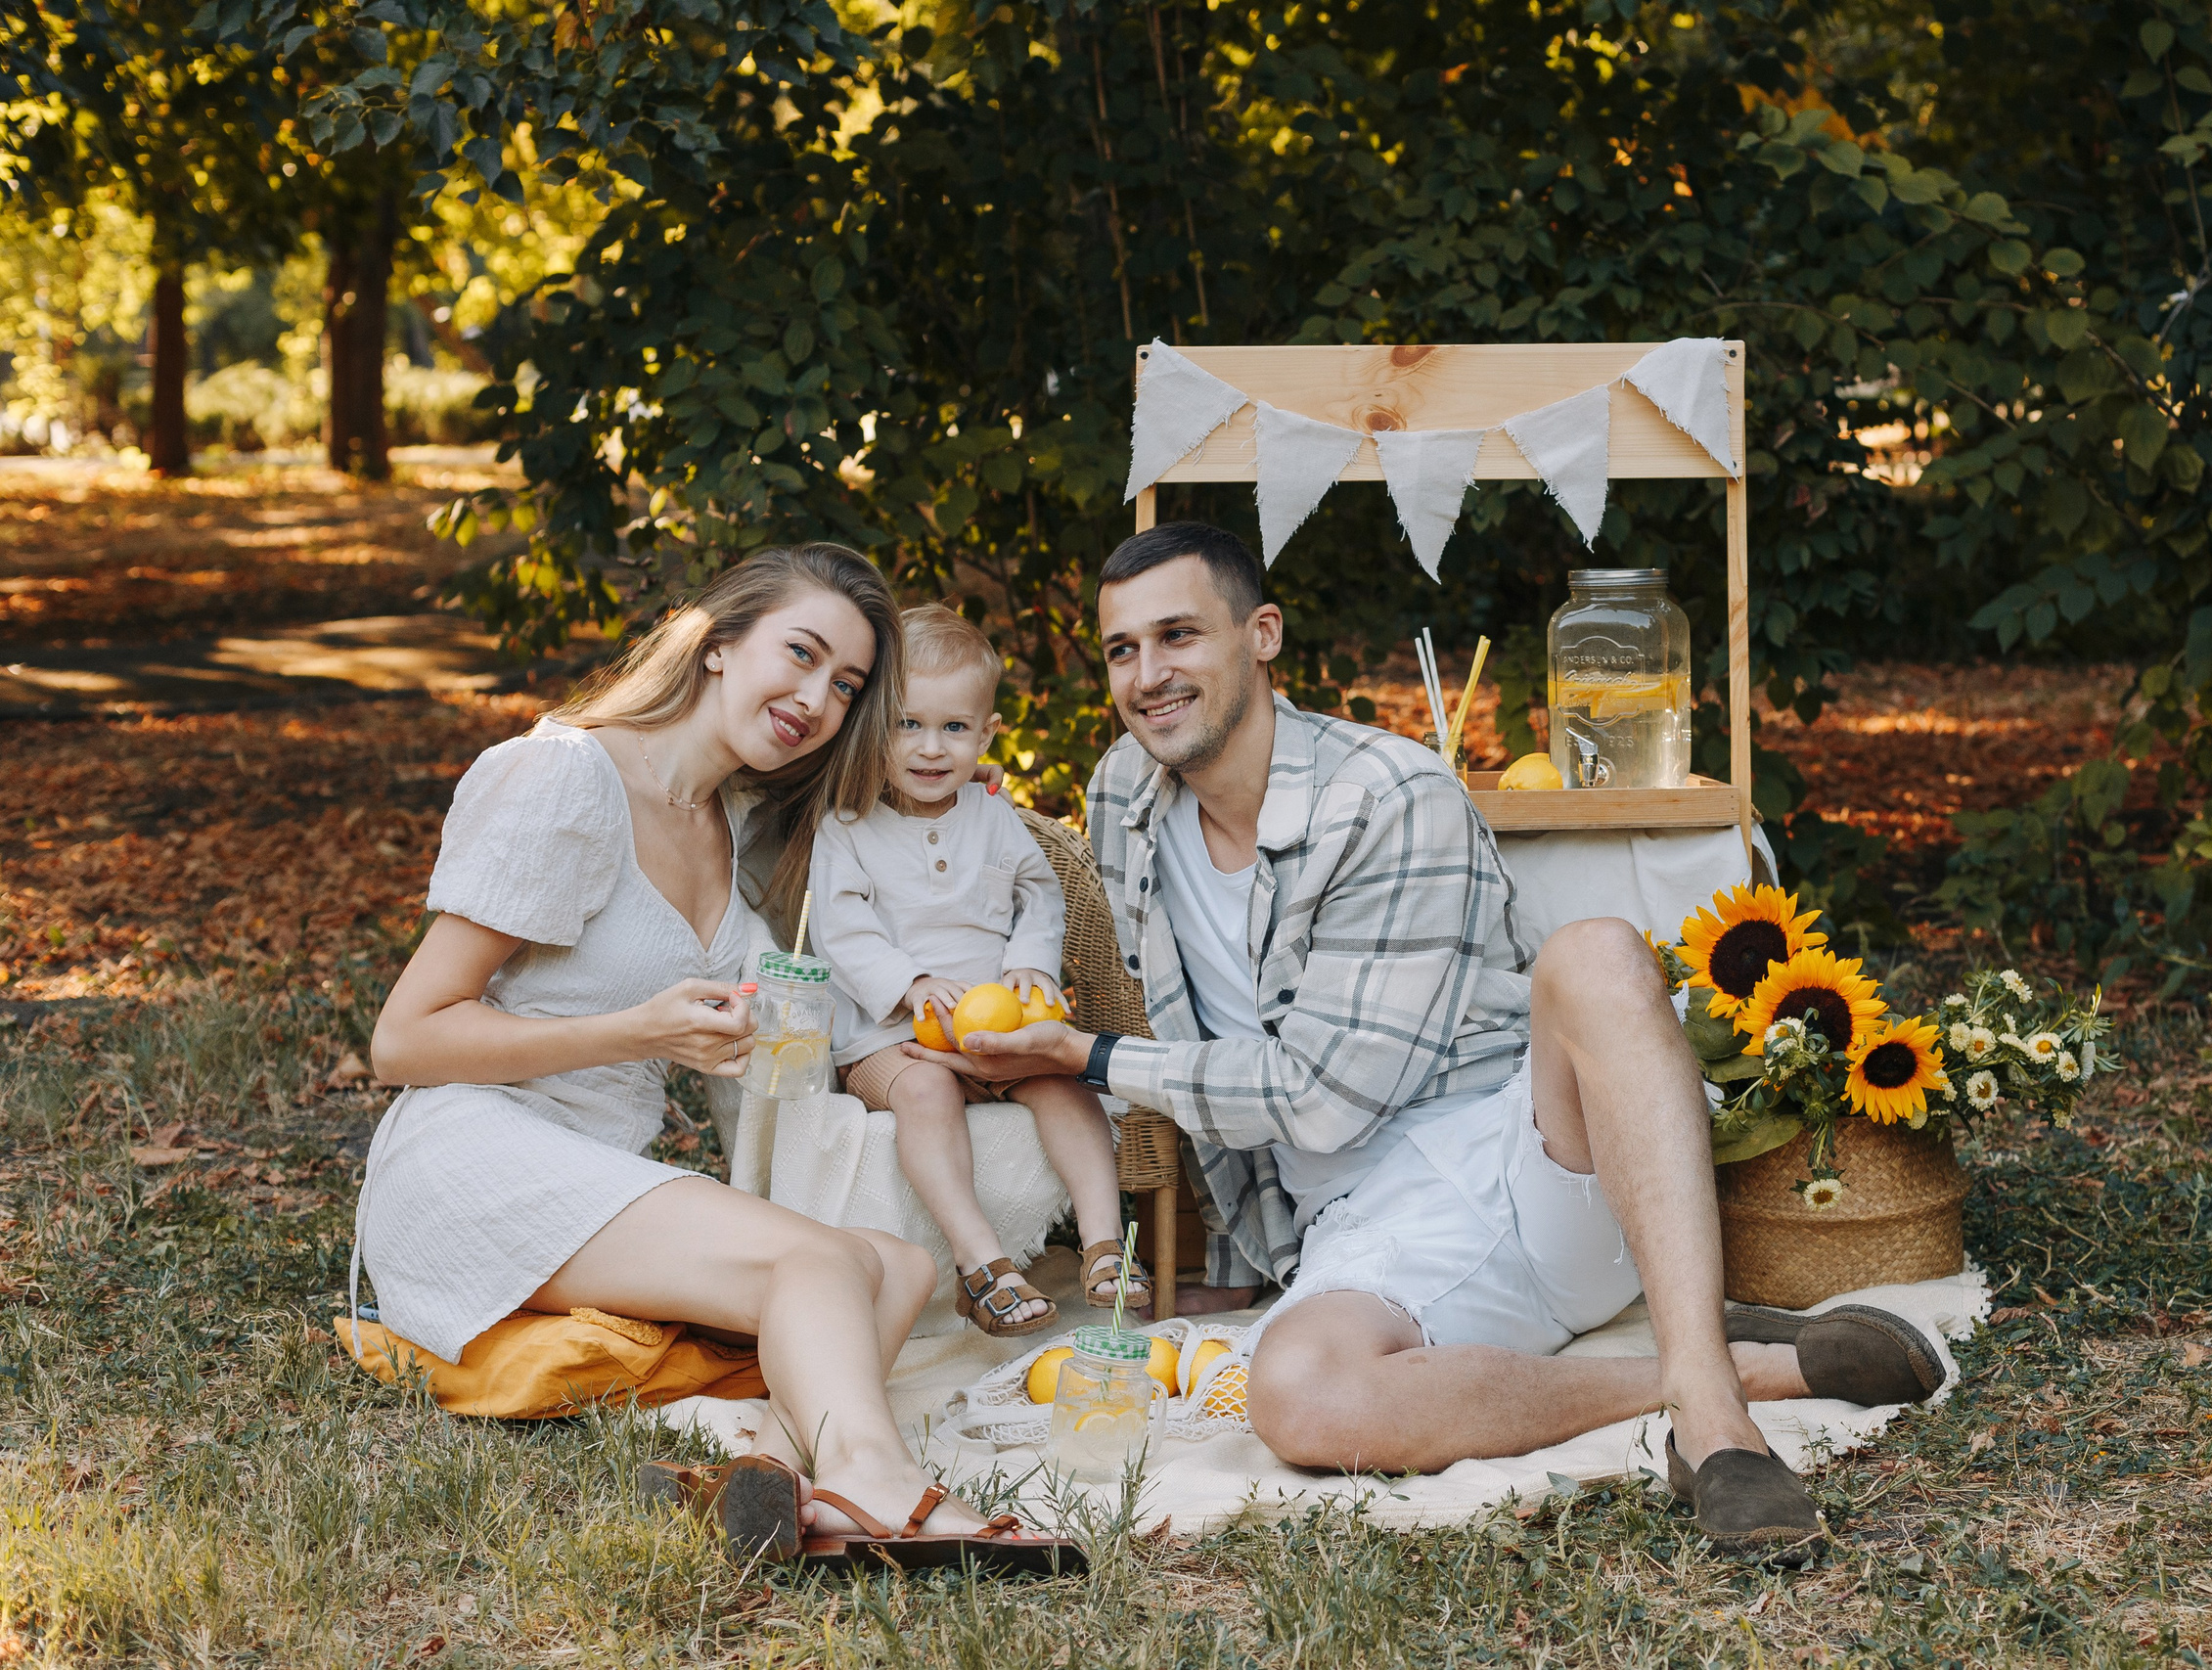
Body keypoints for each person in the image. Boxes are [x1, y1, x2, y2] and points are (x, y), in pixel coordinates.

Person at [917, 521, 1947, 1557]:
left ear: (1261, 634)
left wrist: (1081, 1057)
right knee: (1301, 1399)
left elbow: (1323, 1096)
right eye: (1122, 650)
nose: (1148, 675)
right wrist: (1229, 1250)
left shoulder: (1387, 793)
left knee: (1595, 952)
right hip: (1364, 1227)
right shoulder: (1121, 794)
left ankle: (1716, 1428)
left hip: (1528, 1158)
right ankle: (1747, 1364)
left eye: (1178, 635)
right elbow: (1206, 1025)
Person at [358, 545, 1077, 1570]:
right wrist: (637, 1032)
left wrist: (959, 822)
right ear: (718, 643)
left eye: (847, 686)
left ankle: (769, 1468)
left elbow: (839, 970)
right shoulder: (565, 776)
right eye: (801, 652)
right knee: (818, 1259)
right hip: (474, 1154)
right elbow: (406, 1038)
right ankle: (873, 1478)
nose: (817, 698)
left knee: (903, 1265)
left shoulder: (739, 823)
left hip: (600, 1172)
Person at [808, 604, 1144, 1337]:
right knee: (926, 1089)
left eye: (955, 728)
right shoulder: (848, 824)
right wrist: (909, 983)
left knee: (1063, 1079)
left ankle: (1104, 1242)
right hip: (889, 1038)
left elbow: (1039, 893)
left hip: (993, 1029)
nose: (932, 748)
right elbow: (839, 927)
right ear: (875, 725)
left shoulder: (992, 812)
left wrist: (1029, 963)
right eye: (908, 725)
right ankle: (982, 1261)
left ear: (987, 734)